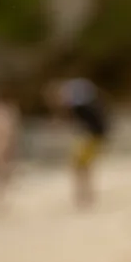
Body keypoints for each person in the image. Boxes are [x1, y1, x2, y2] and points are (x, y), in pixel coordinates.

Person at [43, 77, 110, 208]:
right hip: (94, 137)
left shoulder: (76, 104)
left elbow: (78, 122)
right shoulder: (81, 100)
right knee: (83, 167)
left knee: (79, 166)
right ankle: (86, 195)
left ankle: (84, 196)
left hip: (91, 137)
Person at [0, 81, 21, 212]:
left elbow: (13, 131)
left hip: (1, 144)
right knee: (0, 170)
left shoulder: (7, 110)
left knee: (2, 170)